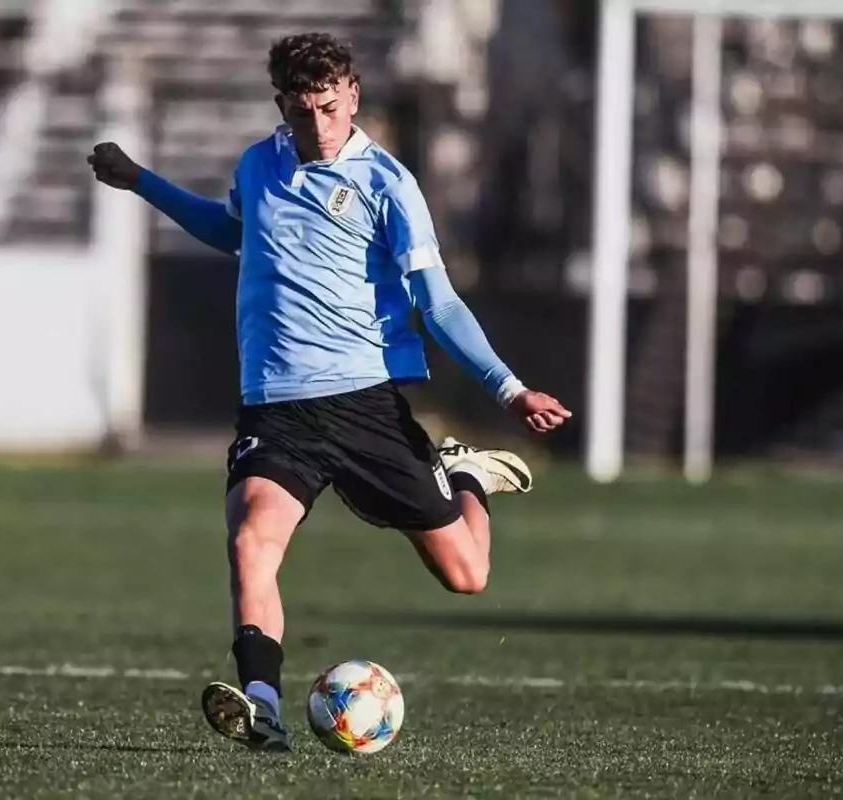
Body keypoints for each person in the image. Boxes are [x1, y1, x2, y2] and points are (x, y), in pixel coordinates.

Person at [88, 32, 571, 752]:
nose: (317, 124)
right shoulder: (259, 164)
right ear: (281, 105)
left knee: (467, 576)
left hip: (363, 405)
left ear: (351, 97)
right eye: (301, 110)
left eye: (329, 106)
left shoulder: (387, 183)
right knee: (251, 539)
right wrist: (142, 182)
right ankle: (261, 704)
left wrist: (508, 389)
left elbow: (436, 303)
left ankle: (463, 473)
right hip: (276, 407)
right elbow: (231, 232)